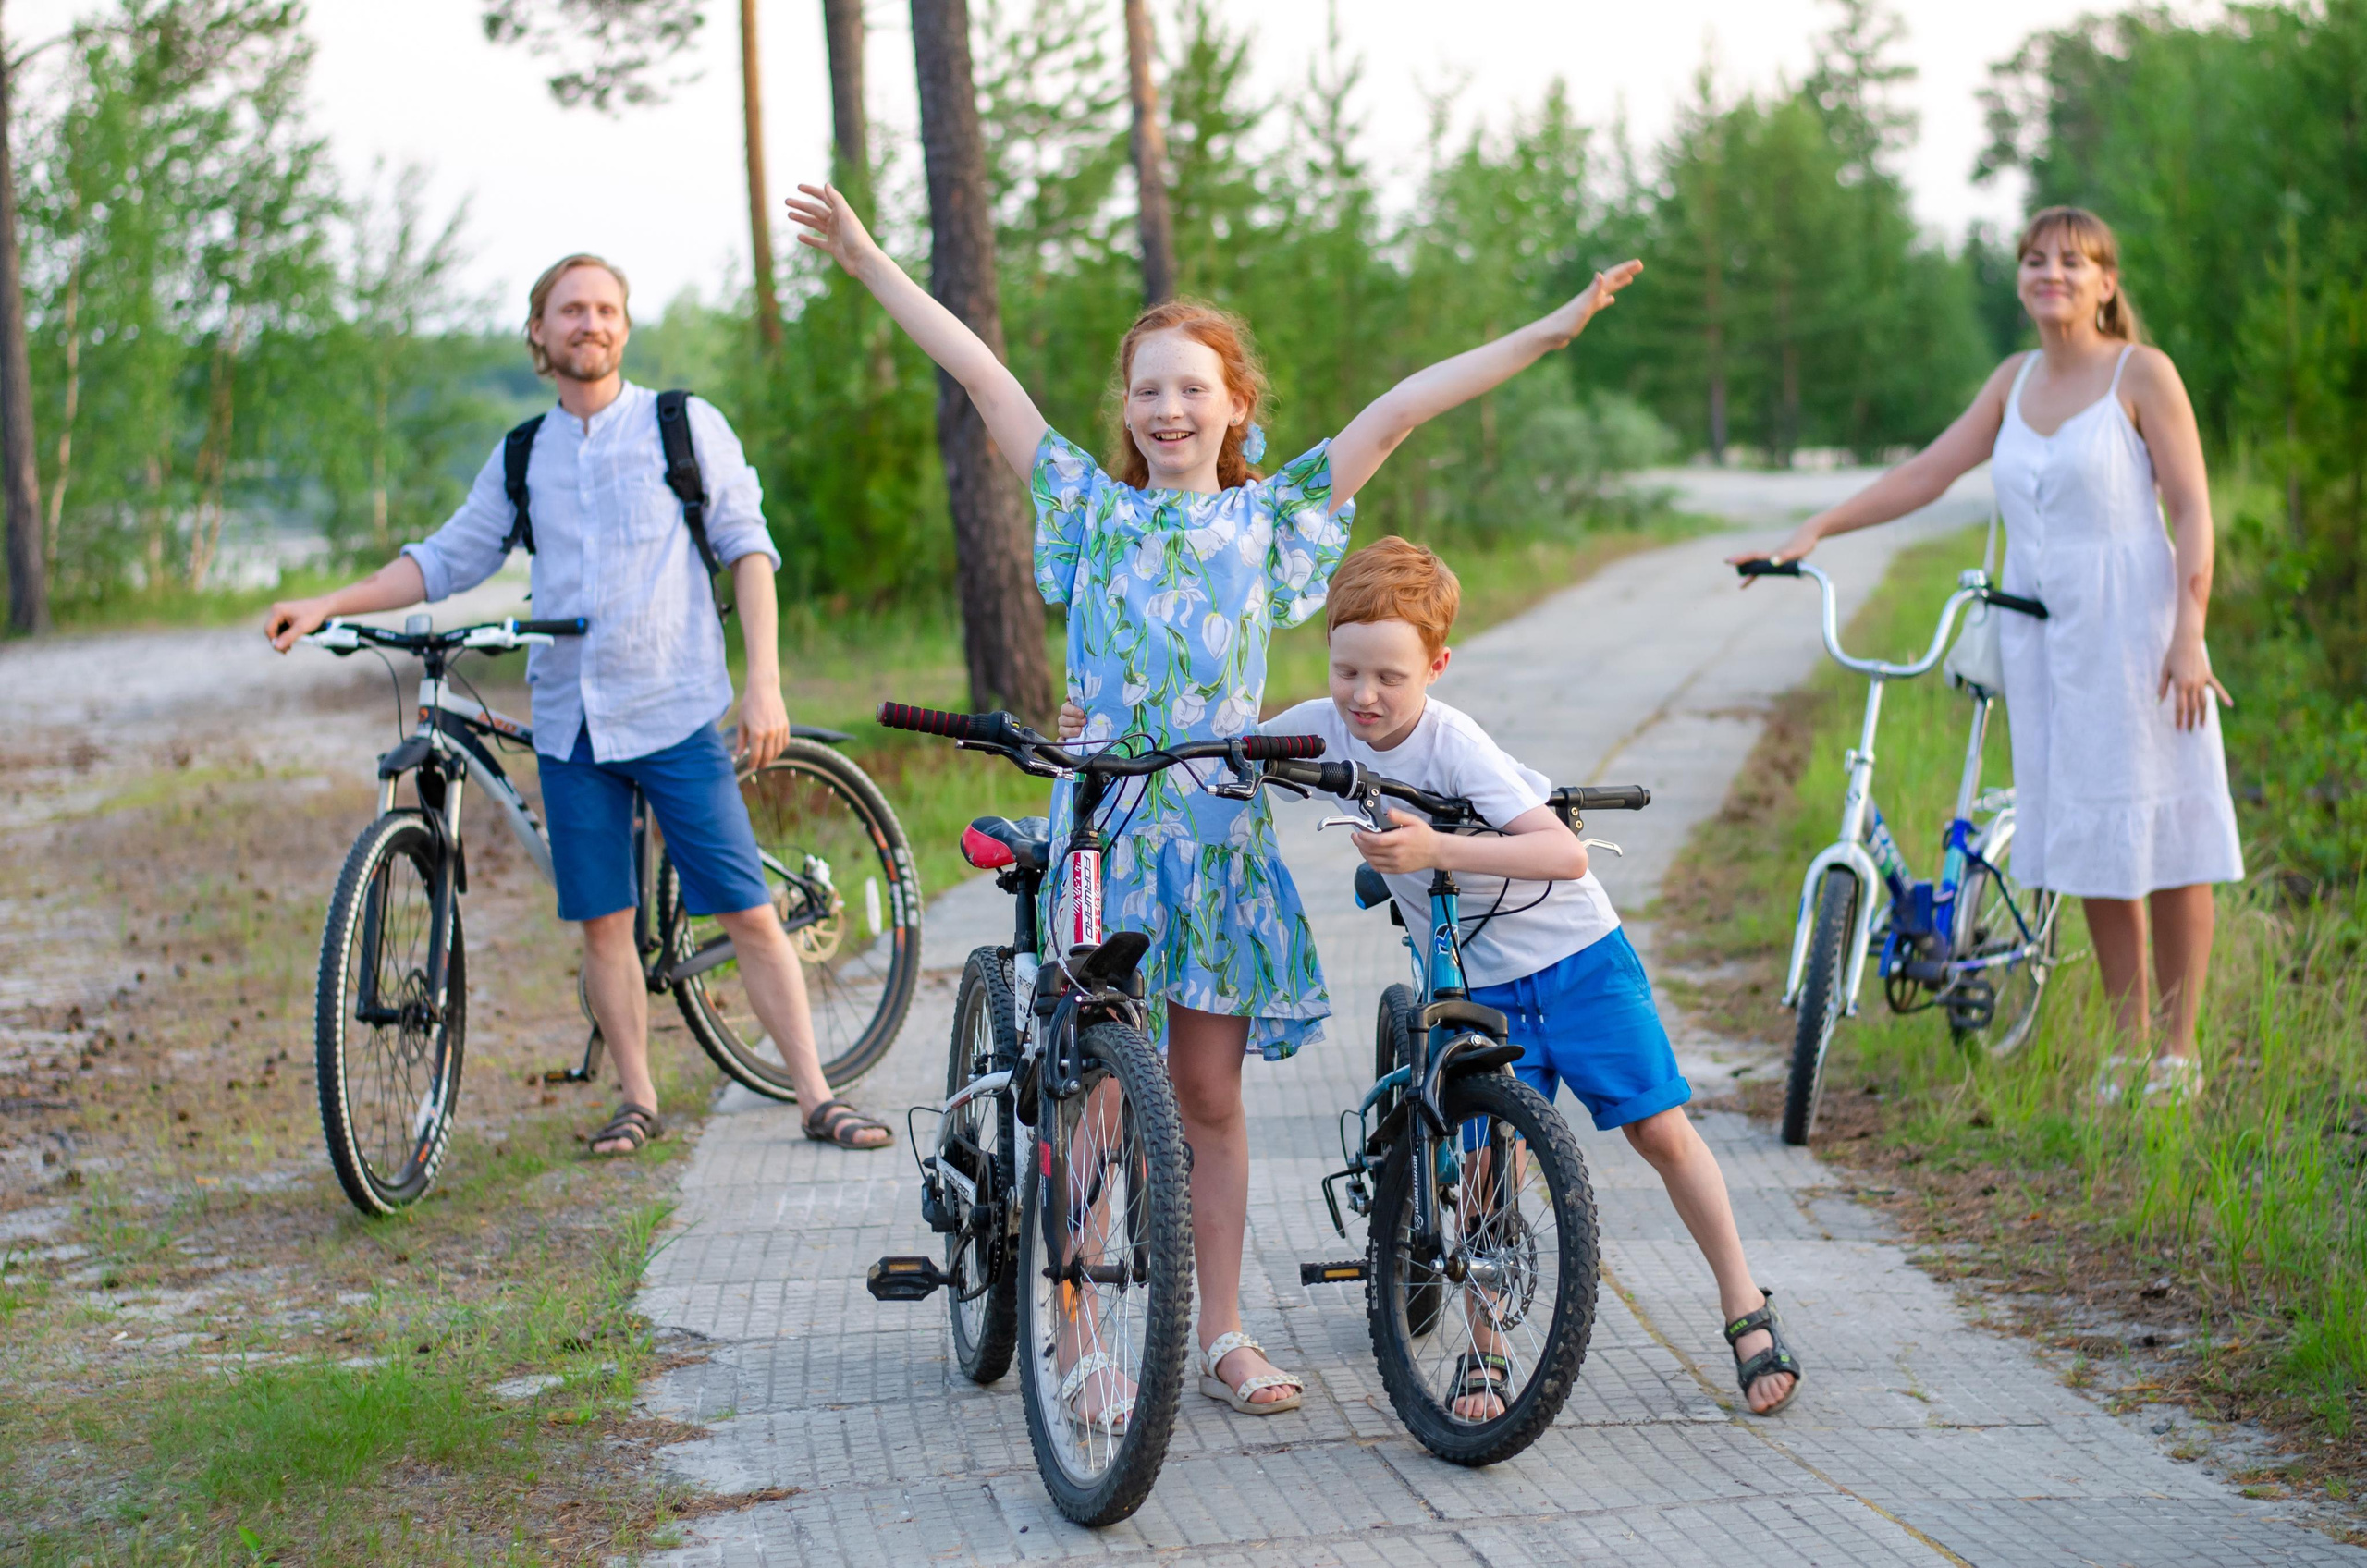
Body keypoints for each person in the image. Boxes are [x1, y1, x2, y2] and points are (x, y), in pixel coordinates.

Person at [789, 178, 1640, 1426]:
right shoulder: (1088, 506)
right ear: (1126, 412)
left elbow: (1401, 410)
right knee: (1087, 1092)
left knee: (1207, 1102)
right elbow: (982, 376)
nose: (1169, 407)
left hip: (1218, 844)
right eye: (1148, 389)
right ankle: (1076, 1325)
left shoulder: (1271, 519)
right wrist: (866, 259)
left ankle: (1222, 1330)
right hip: (1106, 835)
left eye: (1195, 386)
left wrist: (1548, 333)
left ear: (1235, 404)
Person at [264, 252, 891, 1155]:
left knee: (746, 910)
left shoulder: (682, 426)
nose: (588, 323)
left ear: (623, 328)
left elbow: (747, 548)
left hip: (675, 710)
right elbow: (444, 561)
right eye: (570, 311)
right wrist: (329, 603)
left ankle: (815, 1095)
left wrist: (764, 680)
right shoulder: (524, 453)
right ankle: (637, 1098)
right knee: (603, 924)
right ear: (540, 332)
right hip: (573, 726)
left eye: (604, 309)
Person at [1245, 535, 1802, 1417]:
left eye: (1390, 676)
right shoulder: (1325, 721)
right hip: (1478, 986)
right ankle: (1488, 1346)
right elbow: (1216, 748)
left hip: (1576, 962)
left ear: (1437, 665)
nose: (1364, 696)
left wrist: (1435, 848)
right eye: (1347, 671)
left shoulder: (1453, 742)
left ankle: (1743, 1302)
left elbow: (1562, 854)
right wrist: (1109, 729)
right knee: (1488, 1165)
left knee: (1659, 1132)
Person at [1735, 207, 2242, 1102]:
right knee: (2092, 837)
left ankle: (2178, 1051)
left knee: (2166, 833)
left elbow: (2194, 511)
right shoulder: (2012, 382)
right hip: (2044, 642)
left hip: (2140, 634)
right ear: (2020, 278)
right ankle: (2126, 1050)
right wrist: (1814, 528)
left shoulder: (2142, 373)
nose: (2052, 272)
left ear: (2105, 284)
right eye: (2036, 259)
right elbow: (1925, 473)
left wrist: (2189, 633)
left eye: (2073, 261)